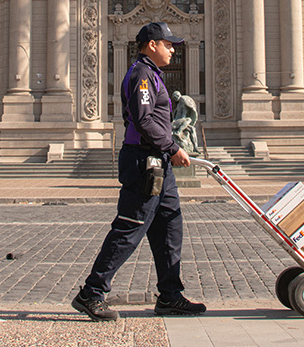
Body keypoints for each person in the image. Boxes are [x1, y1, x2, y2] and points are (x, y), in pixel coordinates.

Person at [71, 22, 206, 321]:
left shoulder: (153, 75)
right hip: (144, 162)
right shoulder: (141, 75)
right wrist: (173, 147)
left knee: (170, 226)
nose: (173, 48)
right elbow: (144, 121)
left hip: (160, 164)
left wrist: (169, 150)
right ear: (152, 45)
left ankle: (170, 295)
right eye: (168, 43)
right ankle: (91, 293)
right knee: (131, 226)